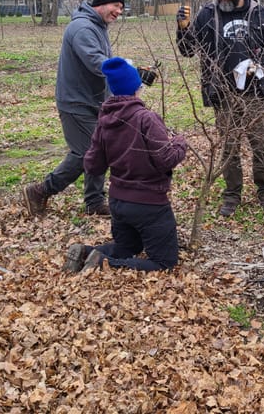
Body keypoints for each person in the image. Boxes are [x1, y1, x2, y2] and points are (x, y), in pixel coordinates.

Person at [63, 57, 188, 272]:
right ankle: (105, 263)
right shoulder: (146, 118)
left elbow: (92, 166)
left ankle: (86, 252)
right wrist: (180, 142)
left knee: (128, 246)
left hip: (118, 203)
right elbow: (166, 159)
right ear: (136, 87)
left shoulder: (104, 121)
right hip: (149, 205)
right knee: (165, 262)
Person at [176, 0, 264, 217]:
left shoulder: (260, 14)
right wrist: (183, 28)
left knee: (261, 146)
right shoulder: (208, 14)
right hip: (222, 93)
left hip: (254, 93)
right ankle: (232, 194)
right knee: (229, 148)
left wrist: (261, 68)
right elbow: (189, 50)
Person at [22, 0, 124, 218]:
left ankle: (94, 201)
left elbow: (101, 63)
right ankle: (40, 191)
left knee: (100, 149)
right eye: (116, 5)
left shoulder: (97, 26)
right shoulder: (83, 28)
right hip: (76, 102)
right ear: (101, 3)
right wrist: (128, 71)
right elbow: (96, 62)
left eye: (122, 7)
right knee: (86, 153)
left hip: (93, 101)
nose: (119, 11)